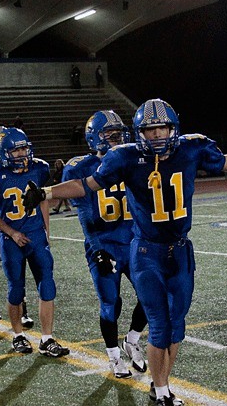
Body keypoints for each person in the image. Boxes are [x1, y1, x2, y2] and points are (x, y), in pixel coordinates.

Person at [22, 98, 227, 405]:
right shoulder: (124, 158)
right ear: (141, 133)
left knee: (176, 324)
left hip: (179, 250)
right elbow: (86, 185)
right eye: (150, 130)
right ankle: (160, 388)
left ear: (173, 128)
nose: (157, 136)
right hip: (145, 250)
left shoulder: (191, 149)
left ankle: (155, 377)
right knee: (159, 321)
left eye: (162, 128)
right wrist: (46, 192)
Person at [63, 110, 148, 378]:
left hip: (134, 241)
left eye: (119, 133)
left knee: (150, 294)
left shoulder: (131, 158)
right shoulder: (81, 166)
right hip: (105, 244)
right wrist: (97, 247)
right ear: (94, 138)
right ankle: (113, 356)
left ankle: (132, 341)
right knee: (111, 302)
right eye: (109, 134)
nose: (116, 138)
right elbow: (86, 214)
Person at [0, 127, 69, 358]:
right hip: (12, 239)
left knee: (47, 286)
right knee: (15, 289)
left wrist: (46, 231)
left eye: (23, 148)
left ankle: (47, 338)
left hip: (36, 235)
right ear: (3, 153)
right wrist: (12, 233)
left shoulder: (39, 168)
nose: (22, 154)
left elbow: (42, 200)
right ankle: (18, 335)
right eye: (16, 150)